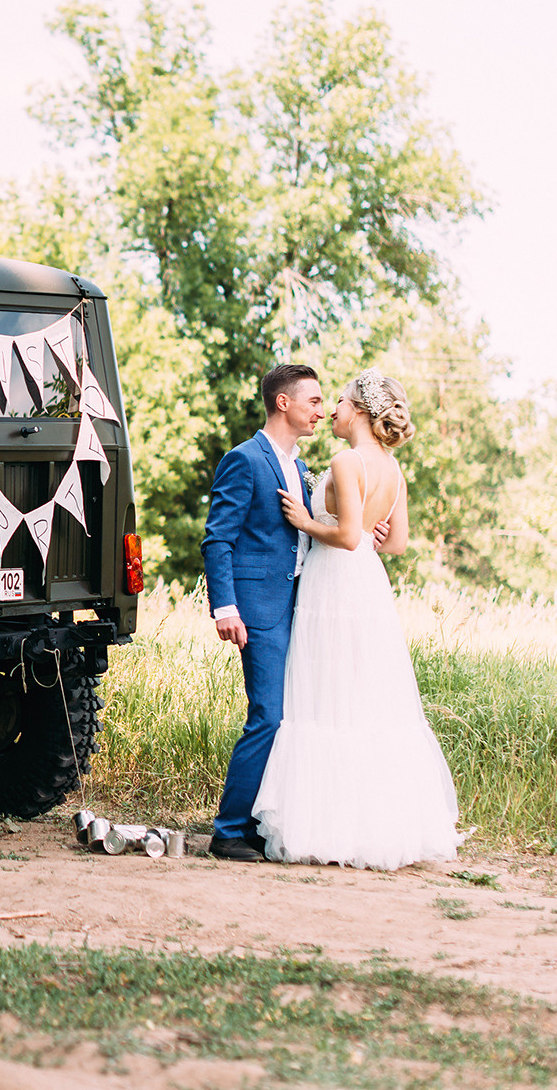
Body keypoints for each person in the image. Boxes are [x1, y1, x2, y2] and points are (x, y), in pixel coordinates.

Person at [250, 368, 465, 870]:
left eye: (342, 402)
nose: (333, 410)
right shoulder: (392, 469)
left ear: (362, 412)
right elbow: (396, 543)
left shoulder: (347, 460)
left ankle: (326, 826)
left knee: (327, 696)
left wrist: (306, 522)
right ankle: (375, 826)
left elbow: (346, 536)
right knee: (362, 698)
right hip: (368, 584)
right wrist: (371, 531)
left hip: (334, 583)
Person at [199, 364, 326, 864]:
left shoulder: (299, 466)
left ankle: (258, 825)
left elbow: (304, 533)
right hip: (259, 609)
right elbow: (218, 539)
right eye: (313, 401)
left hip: (301, 605)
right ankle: (228, 831)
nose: (320, 411)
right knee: (268, 716)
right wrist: (225, 607)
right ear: (283, 402)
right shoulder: (245, 459)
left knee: (291, 718)